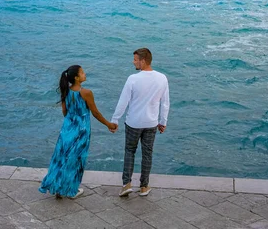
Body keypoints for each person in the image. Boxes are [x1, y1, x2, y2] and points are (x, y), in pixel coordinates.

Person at [39, 65, 117, 199]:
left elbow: (64, 112)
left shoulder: (65, 91)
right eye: (82, 72)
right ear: (76, 78)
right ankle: (71, 189)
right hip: (81, 130)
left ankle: (58, 188)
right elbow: (96, 113)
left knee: (61, 157)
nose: (85, 74)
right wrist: (109, 124)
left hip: (67, 128)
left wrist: (72, 119)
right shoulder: (86, 93)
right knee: (76, 160)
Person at [111, 48, 170, 197]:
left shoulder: (133, 79)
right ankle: (144, 186)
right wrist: (163, 121)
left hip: (133, 123)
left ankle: (126, 185)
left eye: (135, 59)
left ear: (143, 61)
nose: (133, 62)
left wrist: (115, 119)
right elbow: (165, 103)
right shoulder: (162, 78)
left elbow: (123, 101)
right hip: (151, 123)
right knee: (147, 154)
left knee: (129, 151)